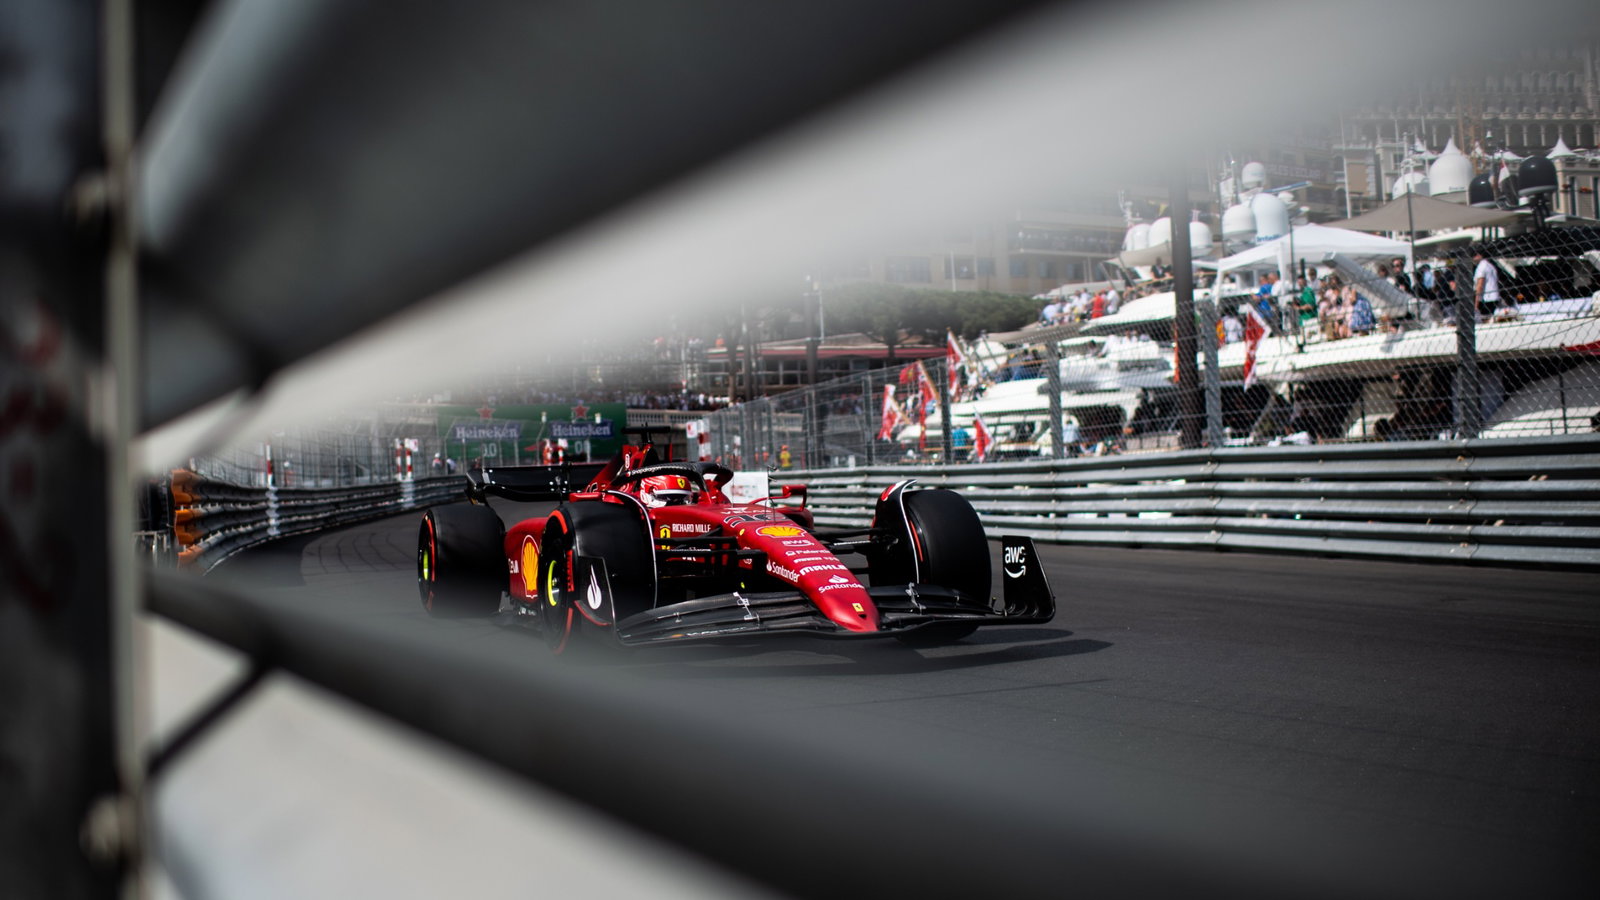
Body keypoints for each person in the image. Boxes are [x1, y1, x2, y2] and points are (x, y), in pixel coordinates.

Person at [1473, 246, 1500, 320]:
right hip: (1494, 297)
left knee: (1485, 320)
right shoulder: (1490, 266)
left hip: (1486, 299)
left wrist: (1476, 303)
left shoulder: (1481, 267)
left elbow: (1480, 285)